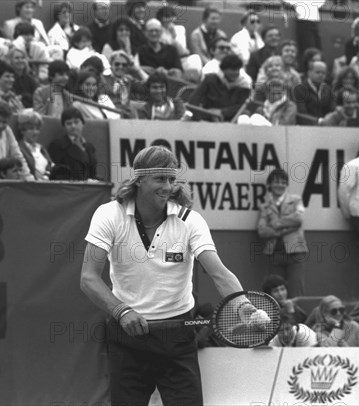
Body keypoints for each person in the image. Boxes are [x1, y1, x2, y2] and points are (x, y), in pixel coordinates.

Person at [80, 145, 249, 405]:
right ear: (139, 179)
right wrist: (121, 312)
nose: (168, 186)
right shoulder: (108, 214)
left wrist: (244, 306)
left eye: (172, 179)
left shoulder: (191, 221)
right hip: (126, 339)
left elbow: (219, 274)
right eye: (160, 179)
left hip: (178, 340)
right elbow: (88, 278)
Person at [257, 169, 308, 297]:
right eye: (276, 182)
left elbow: (298, 219)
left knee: (297, 292)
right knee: (275, 293)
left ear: (287, 185)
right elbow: (262, 230)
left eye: (283, 182)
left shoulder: (296, 200)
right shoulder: (265, 206)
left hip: (296, 252)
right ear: (269, 185)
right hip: (274, 254)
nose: (280, 185)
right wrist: (283, 231)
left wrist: (276, 224)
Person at [188, 54, 251, 122]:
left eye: (237, 70)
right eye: (232, 69)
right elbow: (194, 100)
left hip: (231, 121)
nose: (235, 73)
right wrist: (205, 115)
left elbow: (241, 106)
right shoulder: (210, 80)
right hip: (207, 118)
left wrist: (222, 112)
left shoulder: (244, 86)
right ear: (224, 69)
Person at [48, 107, 99, 181]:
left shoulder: (89, 147)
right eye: (69, 123)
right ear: (64, 126)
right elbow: (56, 175)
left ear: (83, 123)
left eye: (76, 122)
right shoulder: (57, 146)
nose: (73, 126)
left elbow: (93, 173)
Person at [15, 108, 53, 181]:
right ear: (22, 131)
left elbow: (50, 164)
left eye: (37, 129)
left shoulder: (41, 148)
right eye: (31, 129)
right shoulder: (18, 148)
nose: (35, 132)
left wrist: (46, 176)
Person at [293, 60, 334, 125]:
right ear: (309, 73)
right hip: (306, 127)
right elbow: (301, 113)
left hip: (326, 126)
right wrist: (318, 121)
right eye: (318, 72)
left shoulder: (328, 89)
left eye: (323, 73)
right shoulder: (300, 89)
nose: (321, 75)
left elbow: (332, 109)